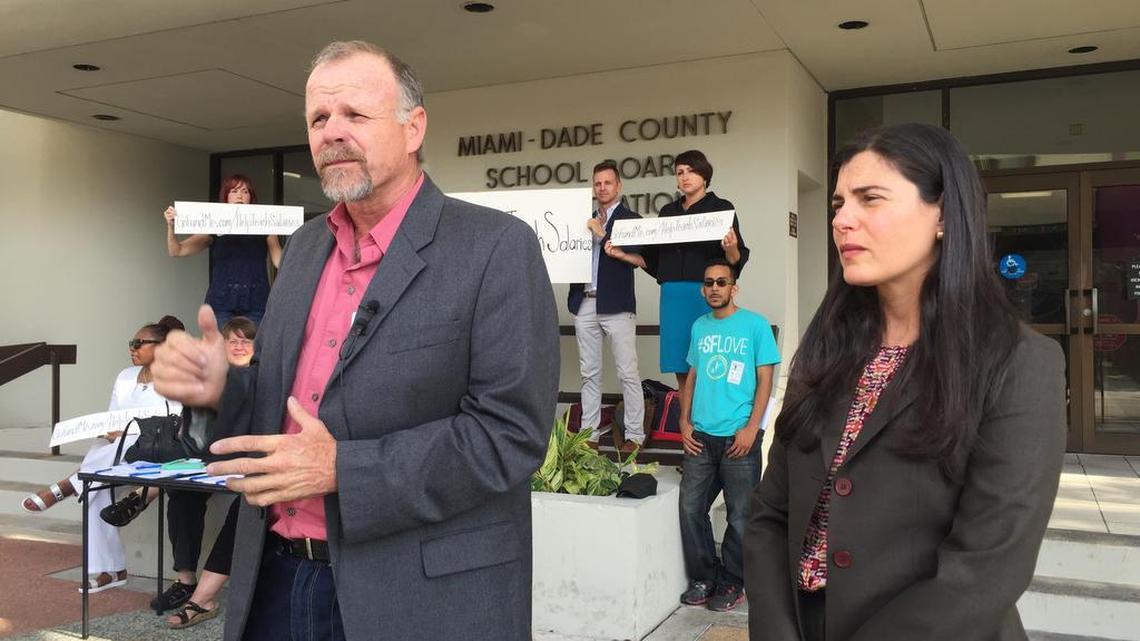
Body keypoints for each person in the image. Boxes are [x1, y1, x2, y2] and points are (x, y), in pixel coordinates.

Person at [152, 40, 558, 641]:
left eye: (355, 115)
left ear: (413, 127)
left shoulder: (495, 247)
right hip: (275, 581)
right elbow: (278, 410)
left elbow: (510, 436)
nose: (331, 133)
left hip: (418, 597)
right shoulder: (305, 247)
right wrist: (221, 389)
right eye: (318, 118)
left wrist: (345, 468)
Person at [743, 123, 1066, 641]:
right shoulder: (825, 349)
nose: (843, 220)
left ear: (942, 214)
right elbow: (768, 515)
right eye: (838, 203)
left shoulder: (1019, 362)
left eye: (870, 199)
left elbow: (986, 570)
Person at [21, 316, 184, 592]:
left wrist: (127, 434)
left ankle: (66, 485)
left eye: (139, 343)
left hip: (156, 451)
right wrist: (108, 431)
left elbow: (173, 425)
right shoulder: (125, 376)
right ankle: (113, 570)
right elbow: (112, 416)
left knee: (102, 464)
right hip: (118, 452)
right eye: (131, 343)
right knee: (94, 490)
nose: (132, 348)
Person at [678, 259, 778, 613]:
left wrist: (753, 427)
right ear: (704, 289)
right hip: (700, 437)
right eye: (709, 283)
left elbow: (766, 379)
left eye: (722, 282)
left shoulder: (755, 326)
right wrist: (684, 422)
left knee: (739, 516)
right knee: (691, 509)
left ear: (734, 287)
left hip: (739, 438)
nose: (715, 288)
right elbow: (692, 376)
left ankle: (734, 581)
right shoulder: (699, 327)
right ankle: (705, 577)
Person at [162, 316, 257, 629]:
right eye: (234, 340)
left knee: (246, 506)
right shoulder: (212, 381)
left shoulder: (266, 377)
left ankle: (202, 599)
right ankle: (185, 577)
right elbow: (195, 439)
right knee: (181, 494)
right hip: (213, 464)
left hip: (251, 468)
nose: (240, 345)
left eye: (247, 340)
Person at [640, 150, 749, 406]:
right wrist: (623, 255)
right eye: (680, 172)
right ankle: (686, 424)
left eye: (691, 170)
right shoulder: (667, 212)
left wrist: (730, 246)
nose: (685, 177)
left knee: (709, 360)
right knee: (680, 362)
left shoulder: (721, 208)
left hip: (703, 294)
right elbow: (655, 260)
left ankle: (711, 420)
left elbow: (735, 257)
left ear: (704, 175)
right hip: (672, 296)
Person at [567, 160, 645, 454]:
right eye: (597, 183)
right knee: (590, 373)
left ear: (618, 186)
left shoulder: (631, 219)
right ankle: (590, 433)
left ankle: (635, 436)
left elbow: (641, 260)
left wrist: (602, 235)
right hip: (585, 301)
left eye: (607, 183)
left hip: (617, 304)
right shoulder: (581, 220)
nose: (602, 188)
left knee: (627, 372)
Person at [164, 175, 282, 326]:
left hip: (256, 300)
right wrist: (170, 227)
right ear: (226, 197)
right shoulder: (214, 224)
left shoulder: (266, 226)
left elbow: (279, 261)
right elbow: (177, 250)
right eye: (234, 191)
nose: (239, 195)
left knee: (253, 348)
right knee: (219, 348)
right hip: (221, 301)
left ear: (251, 198)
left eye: (245, 191)